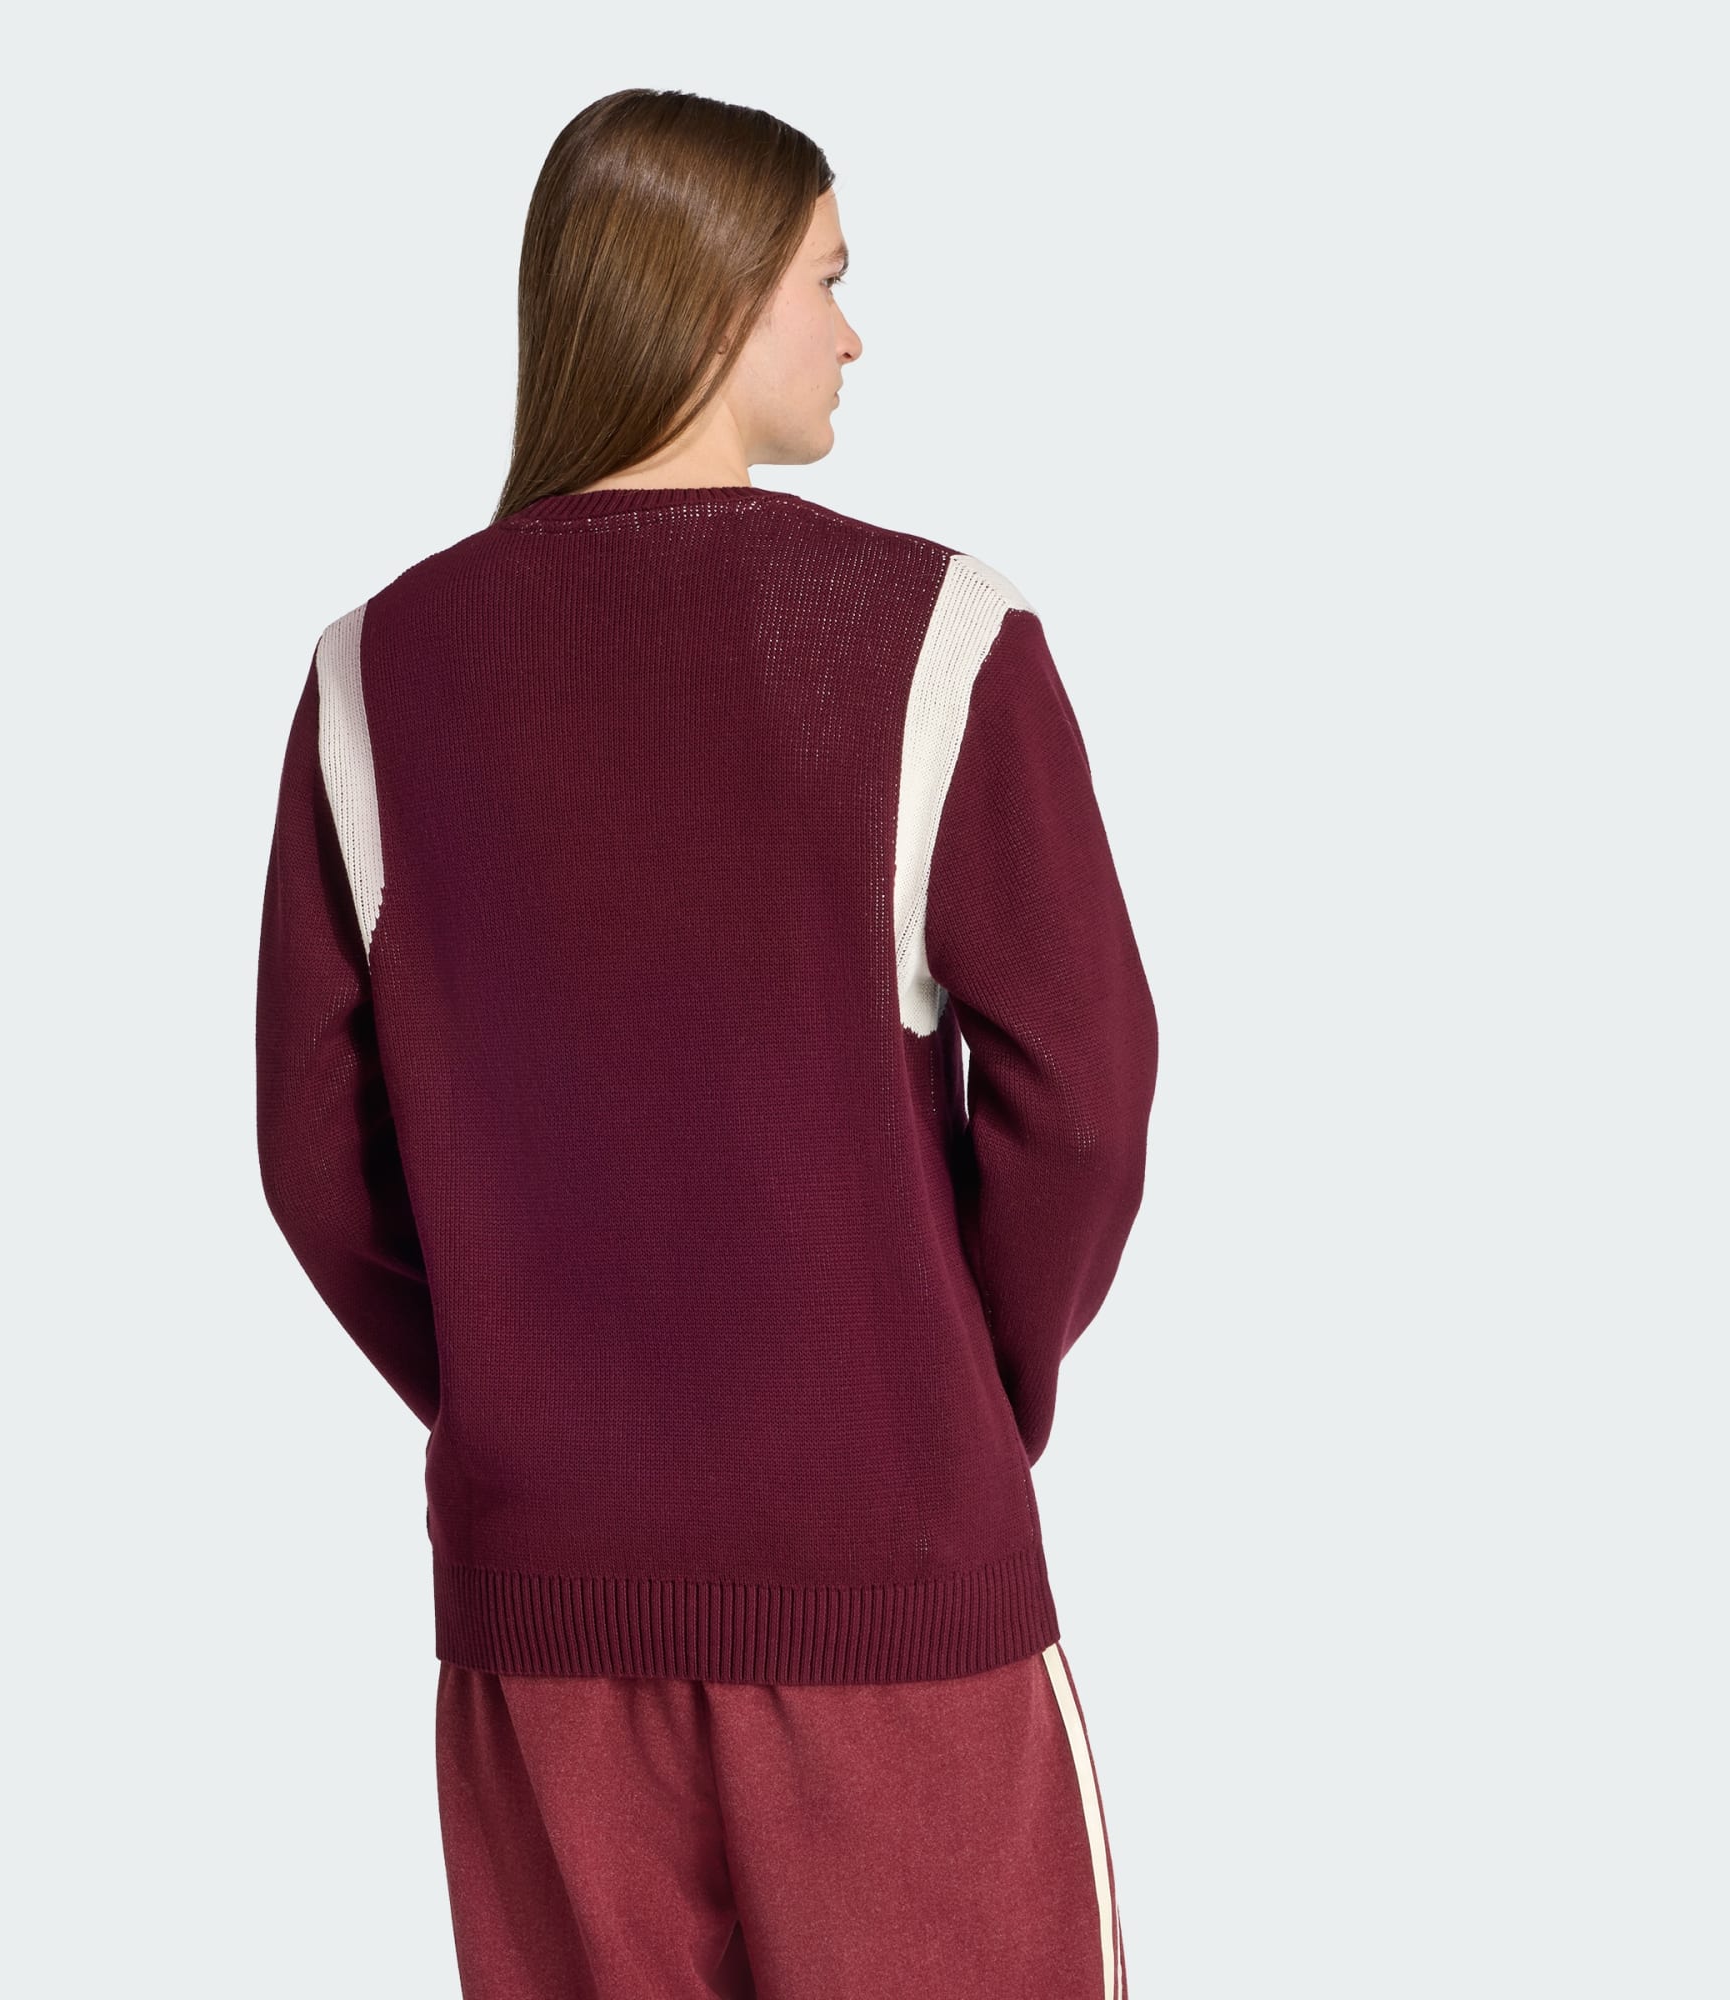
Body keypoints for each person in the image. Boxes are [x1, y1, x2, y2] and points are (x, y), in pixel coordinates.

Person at [255, 85, 1158, 2000]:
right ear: (717, 293)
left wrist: (526, 1402)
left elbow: (317, 1160)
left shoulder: (371, 672)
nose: (855, 332)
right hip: (892, 1597)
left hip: (542, 1610)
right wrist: (958, 1400)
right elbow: (1083, 1097)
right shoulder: (933, 637)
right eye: (827, 279)